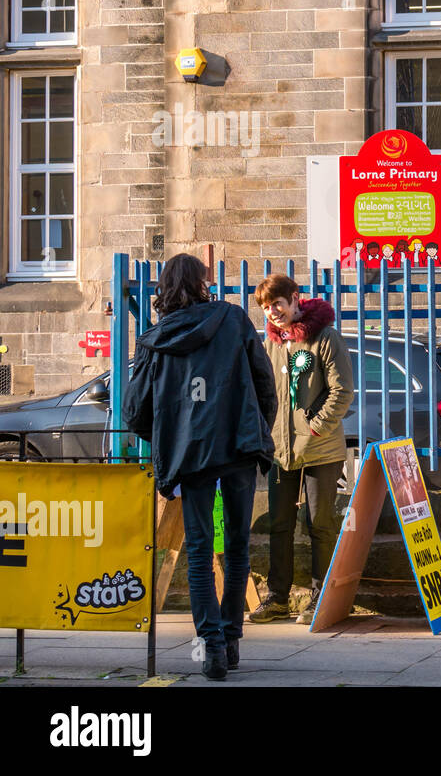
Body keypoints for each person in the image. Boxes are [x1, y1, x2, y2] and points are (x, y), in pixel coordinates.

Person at [124, 254, 277, 681]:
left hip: (191, 454)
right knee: (237, 544)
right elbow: (264, 381)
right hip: (238, 446)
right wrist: (258, 429)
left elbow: (135, 409)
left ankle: (210, 642)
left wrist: (168, 441)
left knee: (198, 549)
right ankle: (230, 638)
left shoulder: (155, 339)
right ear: (203, 283)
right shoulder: (232, 319)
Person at [250, 274, 355, 626]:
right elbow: (266, 394)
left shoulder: (325, 337)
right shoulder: (272, 344)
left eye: (277, 304)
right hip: (281, 451)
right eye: (266, 308)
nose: (273, 312)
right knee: (280, 524)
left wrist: (315, 428)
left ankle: (321, 596)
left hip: (321, 450)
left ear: (295, 299)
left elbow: (342, 391)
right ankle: (278, 599)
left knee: (320, 524)